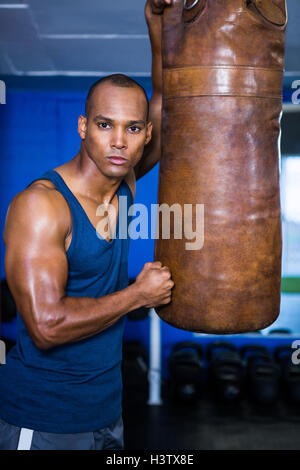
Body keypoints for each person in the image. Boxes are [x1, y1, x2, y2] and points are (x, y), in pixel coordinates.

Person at [0, 0, 174, 450]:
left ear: (146, 136)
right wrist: (138, 294)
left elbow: (166, 101)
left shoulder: (126, 180)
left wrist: (156, 27)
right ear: (83, 127)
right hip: (44, 418)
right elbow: (46, 326)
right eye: (104, 125)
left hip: (107, 414)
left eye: (133, 129)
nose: (119, 141)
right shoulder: (42, 206)